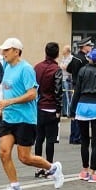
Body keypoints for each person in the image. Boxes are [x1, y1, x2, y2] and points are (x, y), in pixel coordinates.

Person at [0, 37, 64, 190]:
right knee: (4, 152)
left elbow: (32, 94)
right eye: (3, 50)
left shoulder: (26, 69)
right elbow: (7, 89)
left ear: (16, 51)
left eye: (7, 50)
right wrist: (1, 105)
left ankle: (53, 168)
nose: (3, 53)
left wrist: (9, 102)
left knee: (24, 157)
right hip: (9, 117)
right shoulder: (6, 66)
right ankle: (15, 187)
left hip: (25, 118)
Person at [70, 48, 96, 182]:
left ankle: (84, 170)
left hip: (82, 106)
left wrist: (72, 109)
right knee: (95, 143)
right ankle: (93, 173)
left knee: (84, 141)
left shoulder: (83, 70)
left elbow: (77, 92)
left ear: (89, 58)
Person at [33, 42, 63, 177]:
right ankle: (49, 166)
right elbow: (58, 90)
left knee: (39, 138)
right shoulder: (56, 69)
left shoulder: (37, 67)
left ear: (45, 52)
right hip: (51, 107)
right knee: (50, 139)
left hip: (39, 106)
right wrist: (59, 108)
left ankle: (38, 167)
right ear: (57, 54)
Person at [65, 38, 94, 144]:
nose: (90, 48)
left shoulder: (75, 58)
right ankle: (77, 136)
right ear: (84, 47)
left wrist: (74, 75)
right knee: (79, 113)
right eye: (89, 46)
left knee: (74, 111)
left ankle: (73, 136)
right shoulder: (84, 60)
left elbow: (68, 69)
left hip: (74, 86)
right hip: (81, 88)